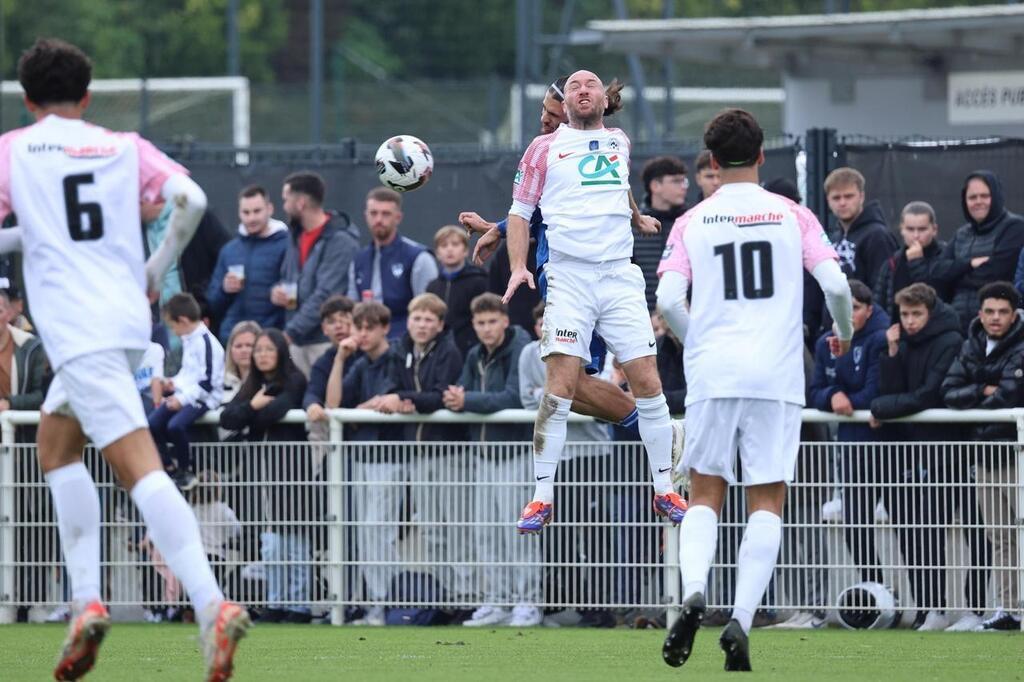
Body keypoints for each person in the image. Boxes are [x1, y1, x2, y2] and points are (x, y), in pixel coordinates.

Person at [0, 38, 248, 680]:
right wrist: (157, 265)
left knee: (139, 467)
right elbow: (189, 200)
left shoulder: (15, 150)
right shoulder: (122, 147)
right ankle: (86, 602)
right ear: (87, 97)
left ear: (26, 100)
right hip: (123, 320)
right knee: (55, 447)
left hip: (76, 329)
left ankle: (210, 605)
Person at [657, 108, 852, 670]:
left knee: (704, 493)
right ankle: (741, 620)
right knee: (766, 499)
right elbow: (835, 283)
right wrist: (842, 332)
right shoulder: (794, 214)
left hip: (715, 373)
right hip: (776, 374)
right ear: (763, 156)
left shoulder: (693, 220)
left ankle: (694, 590)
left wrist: (697, 343)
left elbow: (669, 301)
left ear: (712, 163)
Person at [501, 69, 687, 533]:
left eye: (592, 85)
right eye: (575, 87)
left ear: (605, 99)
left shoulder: (619, 141)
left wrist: (638, 216)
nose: (583, 90)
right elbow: (520, 213)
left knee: (647, 379)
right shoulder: (543, 148)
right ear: (565, 105)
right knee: (561, 384)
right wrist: (519, 266)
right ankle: (542, 497)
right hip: (569, 276)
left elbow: (615, 184)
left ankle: (665, 489)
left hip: (620, 276)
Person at [868, 283, 978, 631]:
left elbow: (929, 395)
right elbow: (894, 390)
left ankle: (974, 610)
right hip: (913, 452)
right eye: (905, 314)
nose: (911, 321)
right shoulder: (902, 340)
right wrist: (892, 351)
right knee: (921, 533)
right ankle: (932, 609)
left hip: (954, 450)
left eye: (917, 314)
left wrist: (881, 409)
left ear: (930, 312)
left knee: (977, 533)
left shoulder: (949, 340)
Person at [370, 293, 472, 604]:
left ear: (440, 324)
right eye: (417, 318)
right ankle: (446, 596)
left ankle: (466, 595)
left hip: (449, 454)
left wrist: (402, 399)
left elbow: (439, 395)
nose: (422, 324)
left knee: (457, 528)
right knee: (431, 529)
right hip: (417, 454)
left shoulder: (450, 351)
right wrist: (399, 397)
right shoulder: (400, 349)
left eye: (429, 319)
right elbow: (385, 387)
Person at [442, 293, 535, 627]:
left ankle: (528, 602)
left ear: (505, 321)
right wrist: (463, 399)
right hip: (483, 456)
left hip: (514, 454)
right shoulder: (473, 353)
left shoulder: (522, 347)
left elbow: (512, 397)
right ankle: (496, 600)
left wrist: (467, 400)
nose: (486, 329)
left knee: (519, 534)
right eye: (480, 323)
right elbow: (461, 395)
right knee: (487, 532)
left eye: (492, 321)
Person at [941, 281, 1023, 631]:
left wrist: (975, 392)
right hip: (986, 454)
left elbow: (1008, 394)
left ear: (1015, 314)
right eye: (989, 311)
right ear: (979, 313)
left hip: (1016, 453)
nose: (995, 318)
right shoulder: (971, 343)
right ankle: (1009, 608)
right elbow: (948, 392)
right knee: (1000, 537)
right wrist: (981, 389)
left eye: (1003, 312)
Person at [219, 329, 311, 623]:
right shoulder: (254, 385)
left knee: (295, 539)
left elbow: (276, 411)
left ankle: (299, 605)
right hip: (263, 474)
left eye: (268, 349)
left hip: (292, 471)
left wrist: (252, 411)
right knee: (271, 543)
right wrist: (253, 406)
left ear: (281, 352)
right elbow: (228, 417)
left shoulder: (295, 380)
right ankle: (276, 601)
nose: (262, 355)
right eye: (258, 350)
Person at [808, 280, 889, 589]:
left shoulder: (878, 340)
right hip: (853, 447)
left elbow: (875, 391)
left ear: (869, 311)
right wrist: (832, 395)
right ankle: (875, 589)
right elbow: (814, 391)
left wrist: (849, 400)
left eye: (855, 308)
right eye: (843, 307)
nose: (847, 313)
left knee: (909, 526)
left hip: (890, 446)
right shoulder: (824, 342)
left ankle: (926, 607)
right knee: (855, 524)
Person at [332, 301, 403, 626]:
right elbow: (334, 405)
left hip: (388, 458)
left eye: (368, 327)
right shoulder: (359, 363)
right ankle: (376, 606)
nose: (362, 334)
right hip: (361, 459)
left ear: (384, 328)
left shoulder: (397, 357)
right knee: (365, 534)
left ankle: (387, 606)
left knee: (380, 532)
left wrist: (362, 408)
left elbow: (384, 403)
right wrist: (340, 357)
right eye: (358, 328)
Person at [272, 171, 360, 378]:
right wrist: (276, 291)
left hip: (323, 343)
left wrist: (291, 333)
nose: (284, 206)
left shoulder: (341, 241)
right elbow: (289, 278)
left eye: (286, 200)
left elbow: (326, 294)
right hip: (297, 342)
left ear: (301, 203)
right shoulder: (294, 236)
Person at [148, 293, 225, 492]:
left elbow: (207, 383)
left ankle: (185, 470)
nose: (173, 331)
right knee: (152, 423)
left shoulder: (207, 342)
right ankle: (169, 467)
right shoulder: (189, 339)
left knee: (175, 426)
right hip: (187, 393)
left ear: (182, 321)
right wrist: (173, 383)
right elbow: (189, 373)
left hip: (205, 398)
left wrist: (181, 399)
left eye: (173, 326)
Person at [933, 171, 1024, 331]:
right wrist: (968, 265)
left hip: (995, 326)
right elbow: (938, 272)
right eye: (972, 197)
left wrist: (955, 275)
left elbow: (996, 274)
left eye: (984, 196)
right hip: (957, 324)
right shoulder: (962, 233)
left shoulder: (1014, 227)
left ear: (995, 196)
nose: (978, 202)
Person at [349, 187, 438, 340]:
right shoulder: (358, 260)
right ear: (366, 216)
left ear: (398, 217)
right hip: (366, 344)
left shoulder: (419, 258)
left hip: (404, 342)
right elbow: (353, 307)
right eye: (373, 213)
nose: (378, 220)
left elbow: (429, 309)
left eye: (386, 214)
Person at [206, 185, 289, 342]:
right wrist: (224, 289)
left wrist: (284, 293)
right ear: (239, 213)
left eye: (257, 211)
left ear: (269, 209)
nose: (251, 218)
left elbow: (299, 288)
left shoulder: (287, 245)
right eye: (246, 212)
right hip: (233, 340)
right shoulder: (229, 250)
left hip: (271, 339)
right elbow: (212, 303)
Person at [824, 167, 899, 287]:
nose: (842, 203)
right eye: (836, 198)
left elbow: (884, 288)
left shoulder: (878, 236)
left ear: (861, 197)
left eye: (849, 196)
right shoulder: (834, 238)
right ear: (828, 201)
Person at [873, 201, 948, 320]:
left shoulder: (946, 256)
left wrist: (916, 263)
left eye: (922, 229)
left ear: (934, 230)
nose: (916, 235)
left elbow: (939, 297)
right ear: (902, 229)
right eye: (910, 229)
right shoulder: (892, 263)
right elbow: (879, 304)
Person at [425, 225, 488, 355]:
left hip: (471, 349)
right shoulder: (432, 287)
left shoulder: (479, 281)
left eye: (455, 244)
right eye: (444, 245)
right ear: (437, 253)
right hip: (439, 351)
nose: (449, 249)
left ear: (465, 251)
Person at [636, 156, 688, 311]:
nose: (683, 187)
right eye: (676, 181)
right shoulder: (633, 227)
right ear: (655, 185)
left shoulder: (691, 223)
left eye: (684, 181)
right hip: (641, 321)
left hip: (684, 318)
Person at [303, 295, 356, 442]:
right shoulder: (323, 362)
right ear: (324, 329)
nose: (338, 326)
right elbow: (313, 392)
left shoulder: (370, 354)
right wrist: (313, 405)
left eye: (344, 318)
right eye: (331, 322)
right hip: (343, 440)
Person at [221, 321, 261, 405]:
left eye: (249, 345)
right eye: (238, 346)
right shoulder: (219, 381)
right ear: (230, 350)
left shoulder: (269, 382)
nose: (244, 350)